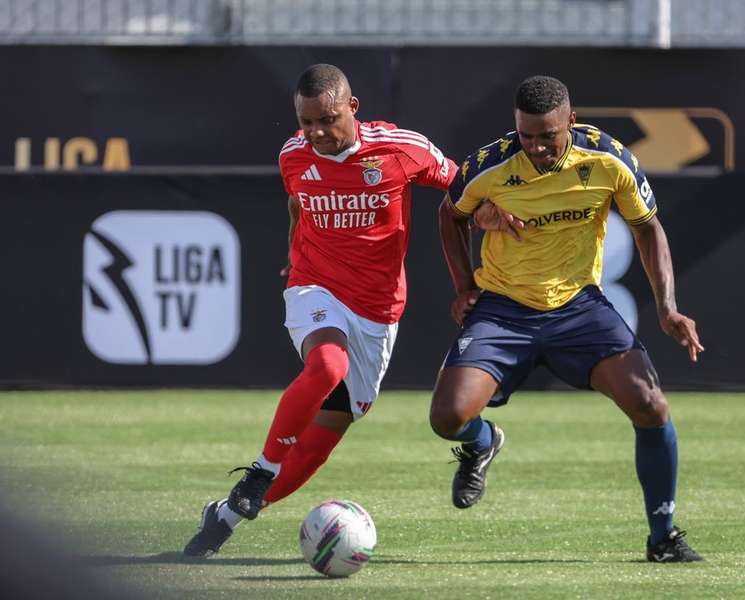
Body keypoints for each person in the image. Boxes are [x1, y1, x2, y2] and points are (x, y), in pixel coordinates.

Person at [183, 64, 458, 557]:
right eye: (305, 122)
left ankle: (223, 517)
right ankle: (260, 470)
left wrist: (493, 211)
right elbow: (297, 205)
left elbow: (463, 186)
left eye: (326, 121)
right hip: (316, 288)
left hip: (377, 311)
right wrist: (294, 260)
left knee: (310, 455)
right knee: (328, 364)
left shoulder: (401, 149)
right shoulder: (294, 153)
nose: (315, 133)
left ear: (352, 108)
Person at [429, 75, 705, 563]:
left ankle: (663, 537)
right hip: (503, 309)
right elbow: (449, 214)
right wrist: (464, 288)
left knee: (650, 405)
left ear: (571, 122)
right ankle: (484, 442)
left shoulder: (608, 159)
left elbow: (648, 228)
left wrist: (667, 308)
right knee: (448, 417)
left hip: (579, 308)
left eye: (547, 136)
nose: (535, 147)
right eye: (526, 135)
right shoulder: (489, 165)